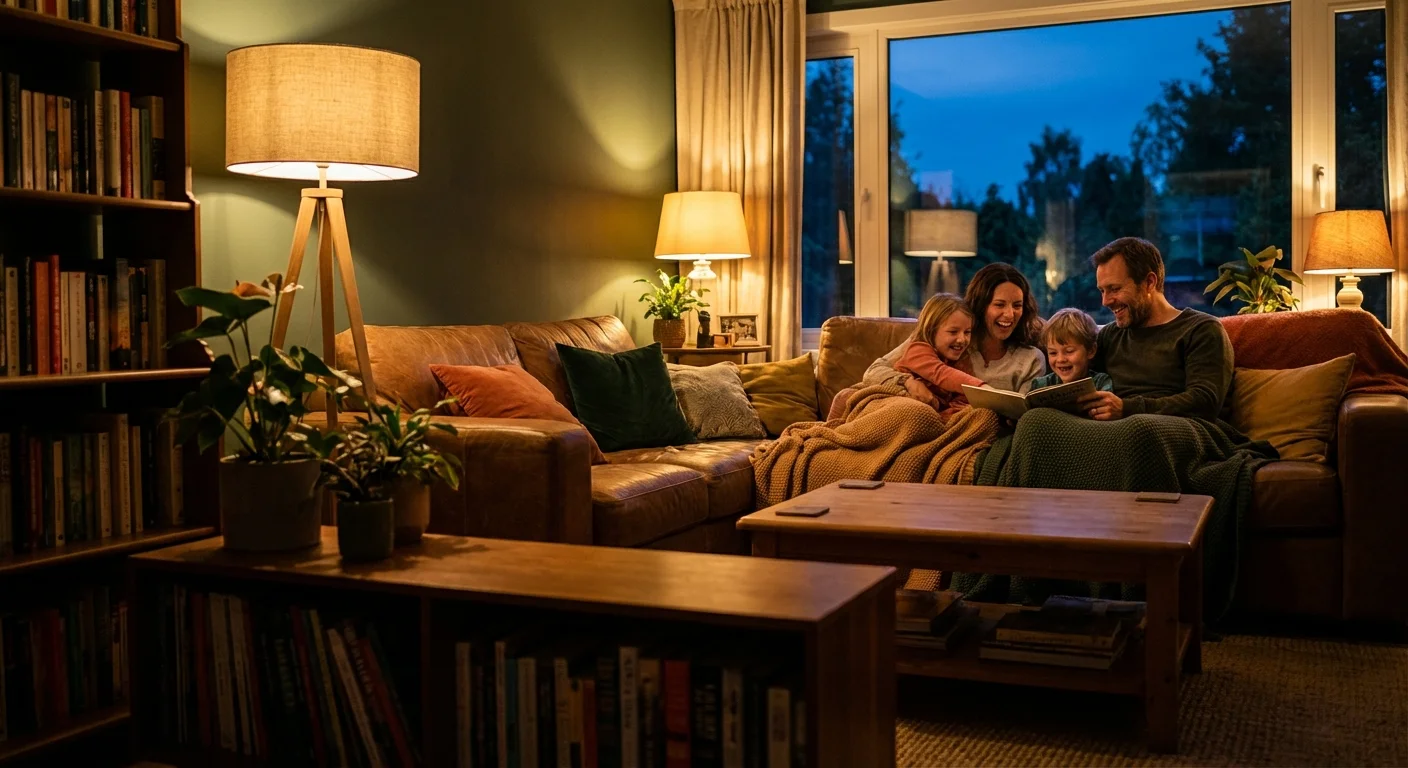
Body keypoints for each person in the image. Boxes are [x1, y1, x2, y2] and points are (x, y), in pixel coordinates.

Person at [1076, 237, 1233, 422]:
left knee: (1140, 427)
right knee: (1039, 420)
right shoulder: (1109, 337)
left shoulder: (1201, 330)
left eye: (1114, 289)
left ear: (1149, 282)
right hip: (1116, 430)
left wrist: (1128, 409)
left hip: (1178, 430)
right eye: (1102, 291)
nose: (1105, 301)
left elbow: (1206, 402)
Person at [864, 262, 1046, 407]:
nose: (1009, 314)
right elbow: (873, 372)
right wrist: (908, 383)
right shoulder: (945, 340)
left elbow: (1023, 415)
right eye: (999, 305)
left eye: (1017, 305)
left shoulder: (1030, 359)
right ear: (981, 305)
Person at [895, 294, 985, 421]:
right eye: (953, 332)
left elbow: (962, 398)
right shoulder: (917, 350)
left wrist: (954, 415)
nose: (962, 339)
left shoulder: (963, 359)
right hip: (896, 400)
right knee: (915, 412)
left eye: (967, 332)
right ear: (931, 330)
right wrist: (982, 388)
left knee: (981, 416)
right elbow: (941, 374)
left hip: (932, 415)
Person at [1028, 308, 1114, 393]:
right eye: (1053, 353)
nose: (1060, 359)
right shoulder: (1040, 385)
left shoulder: (1101, 382)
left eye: (1069, 351)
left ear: (1091, 350)